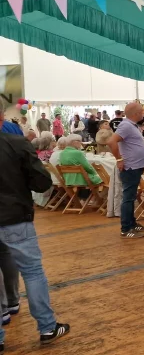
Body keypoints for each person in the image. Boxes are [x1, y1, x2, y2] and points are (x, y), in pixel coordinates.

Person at [0, 130, 70, 349]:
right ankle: (47, 327)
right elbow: (41, 182)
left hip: (13, 215)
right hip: (15, 216)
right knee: (32, 272)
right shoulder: (15, 143)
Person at [107, 102, 144, 239]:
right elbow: (111, 142)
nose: (143, 113)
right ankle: (126, 228)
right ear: (136, 113)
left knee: (131, 197)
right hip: (130, 167)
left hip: (135, 166)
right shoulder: (126, 125)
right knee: (128, 198)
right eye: (142, 111)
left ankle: (132, 223)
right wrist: (119, 160)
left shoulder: (131, 125)